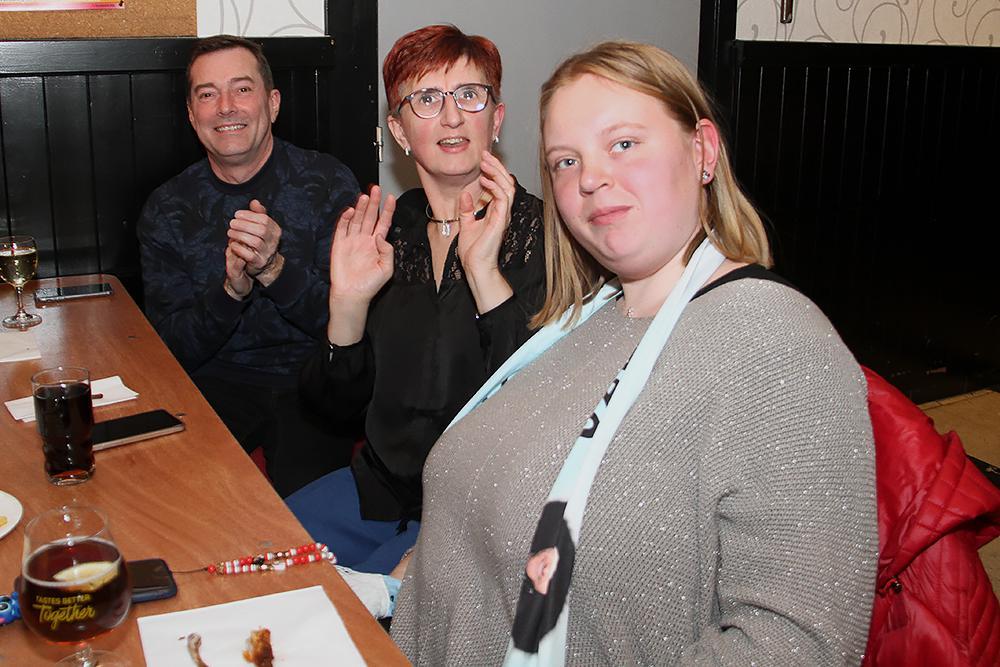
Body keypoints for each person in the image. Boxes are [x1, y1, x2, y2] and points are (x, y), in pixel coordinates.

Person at [391, 41, 878, 665]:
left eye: (623, 143)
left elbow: (797, 644)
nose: (590, 178)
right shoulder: (586, 319)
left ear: (702, 151)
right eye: (566, 161)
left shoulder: (778, 345)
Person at [285, 25, 545, 576]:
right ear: (399, 131)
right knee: (256, 553)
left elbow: (541, 407)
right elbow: (332, 409)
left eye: (469, 95)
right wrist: (347, 304)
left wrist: (483, 272)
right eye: (426, 99)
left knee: (363, 613)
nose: (451, 117)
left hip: (482, 509)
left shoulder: (545, 235)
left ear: (496, 119)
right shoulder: (390, 230)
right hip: (378, 492)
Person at [137, 35, 360, 496]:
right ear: (192, 115)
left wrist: (274, 270)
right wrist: (231, 293)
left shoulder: (327, 183)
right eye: (207, 94)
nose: (225, 107)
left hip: (310, 381)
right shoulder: (167, 208)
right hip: (212, 382)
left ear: (272, 104)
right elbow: (170, 349)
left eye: (242, 89)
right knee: (176, 501)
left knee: (311, 514)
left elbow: (347, 326)